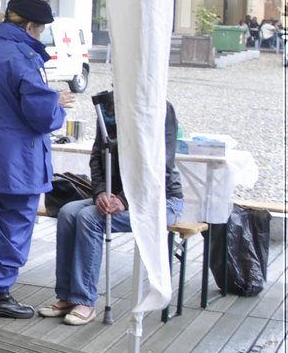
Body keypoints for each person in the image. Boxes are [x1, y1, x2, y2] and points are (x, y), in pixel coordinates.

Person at [0, 0, 64, 320]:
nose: (41, 35)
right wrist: (59, 105)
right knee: (15, 224)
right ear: (31, 26)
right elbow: (43, 116)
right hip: (19, 159)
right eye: (41, 29)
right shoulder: (23, 58)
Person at [41, 91, 182, 325]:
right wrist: (100, 192)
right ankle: (66, 295)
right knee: (67, 212)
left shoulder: (160, 108)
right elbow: (97, 156)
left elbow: (160, 165)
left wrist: (124, 199)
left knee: (89, 218)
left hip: (160, 200)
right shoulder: (106, 108)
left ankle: (84, 299)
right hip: (114, 192)